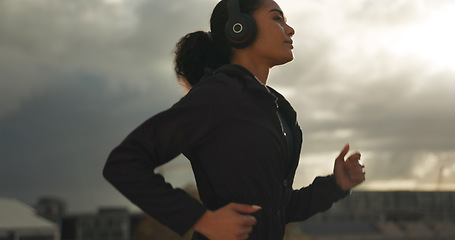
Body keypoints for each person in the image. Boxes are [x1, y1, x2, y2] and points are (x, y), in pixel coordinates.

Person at [103, 0, 366, 239]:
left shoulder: (278, 109)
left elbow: (276, 210)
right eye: (277, 19)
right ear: (240, 28)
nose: (290, 29)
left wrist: (335, 185)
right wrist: (200, 219)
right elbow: (125, 162)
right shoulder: (219, 94)